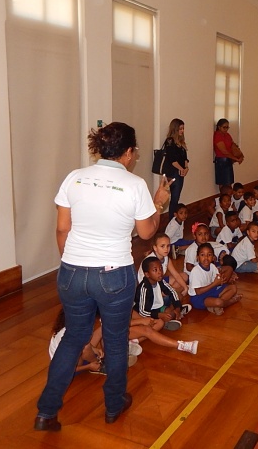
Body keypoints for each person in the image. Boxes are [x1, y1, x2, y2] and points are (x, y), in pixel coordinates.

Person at [34, 121, 171, 431]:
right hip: (113, 275)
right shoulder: (135, 185)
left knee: (73, 338)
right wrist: (159, 202)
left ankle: (46, 412)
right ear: (128, 152)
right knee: (116, 340)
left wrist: (72, 263)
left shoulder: (74, 177)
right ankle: (113, 405)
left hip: (72, 272)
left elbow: (62, 228)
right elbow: (147, 232)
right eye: (134, 152)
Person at [130, 257, 198, 355]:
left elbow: (172, 292)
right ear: (147, 274)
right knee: (160, 322)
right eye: (155, 270)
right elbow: (143, 311)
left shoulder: (160, 281)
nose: (160, 272)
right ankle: (180, 341)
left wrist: (177, 307)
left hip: (156, 308)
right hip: (146, 313)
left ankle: (135, 341)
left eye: (160, 269)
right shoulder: (144, 288)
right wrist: (158, 315)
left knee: (176, 299)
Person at [188, 243, 242, 315]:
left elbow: (218, 280)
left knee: (233, 288)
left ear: (213, 257)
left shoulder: (212, 266)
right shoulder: (195, 271)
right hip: (199, 297)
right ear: (197, 257)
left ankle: (214, 306)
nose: (206, 258)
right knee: (219, 302)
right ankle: (231, 301)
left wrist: (221, 280)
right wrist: (215, 284)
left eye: (209, 255)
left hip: (211, 290)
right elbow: (198, 292)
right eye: (202, 255)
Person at [136, 233, 190, 300]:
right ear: (155, 248)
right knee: (172, 293)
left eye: (168, 246)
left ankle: (172, 293)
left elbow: (176, 274)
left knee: (184, 276)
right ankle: (170, 294)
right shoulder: (150, 261)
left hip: (160, 281)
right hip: (150, 287)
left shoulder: (166, 258)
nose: (166, 249)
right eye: (162, 246)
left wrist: (185, 287)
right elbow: (148, 284)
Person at [162, 118, 189, 217]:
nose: (182, 131)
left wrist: (186, 168)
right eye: (180, 129)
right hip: (172, 172)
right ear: (175, 129)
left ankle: (173, 219)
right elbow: (172, 159)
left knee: (176, 198)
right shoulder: (169, 141)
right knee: (173, 198)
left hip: (180, 172)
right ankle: (171, 221)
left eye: (183, 128)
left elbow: (185, 158)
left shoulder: (181, 142)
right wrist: (181, 169)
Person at [213, 118, 243, 189]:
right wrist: (236, 159)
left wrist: (240, 155)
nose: (226, 129)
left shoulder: (227, 135)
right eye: (224, 127)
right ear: (219, 127)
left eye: (227, 127)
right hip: (221, 161)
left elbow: (233, 145)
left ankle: (228, 196)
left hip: (228, 160)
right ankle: (224, 196)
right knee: (223, 184)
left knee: (229, 183)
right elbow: (224, 152)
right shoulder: (217, 136)